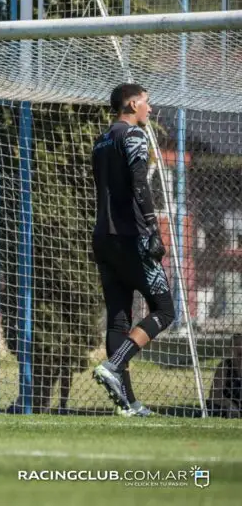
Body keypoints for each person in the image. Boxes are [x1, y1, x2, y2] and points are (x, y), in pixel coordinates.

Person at [91, 83, 175, 416]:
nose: (150, 110)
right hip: (130, 238)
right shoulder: (134, 137)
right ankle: (114, 365)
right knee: (165, 310)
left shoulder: (101, 140)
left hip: (103, 239)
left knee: (118, 318)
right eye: (146, 103)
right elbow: (140, 184)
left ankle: (128, 404)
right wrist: (154, 229)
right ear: (132, 104)